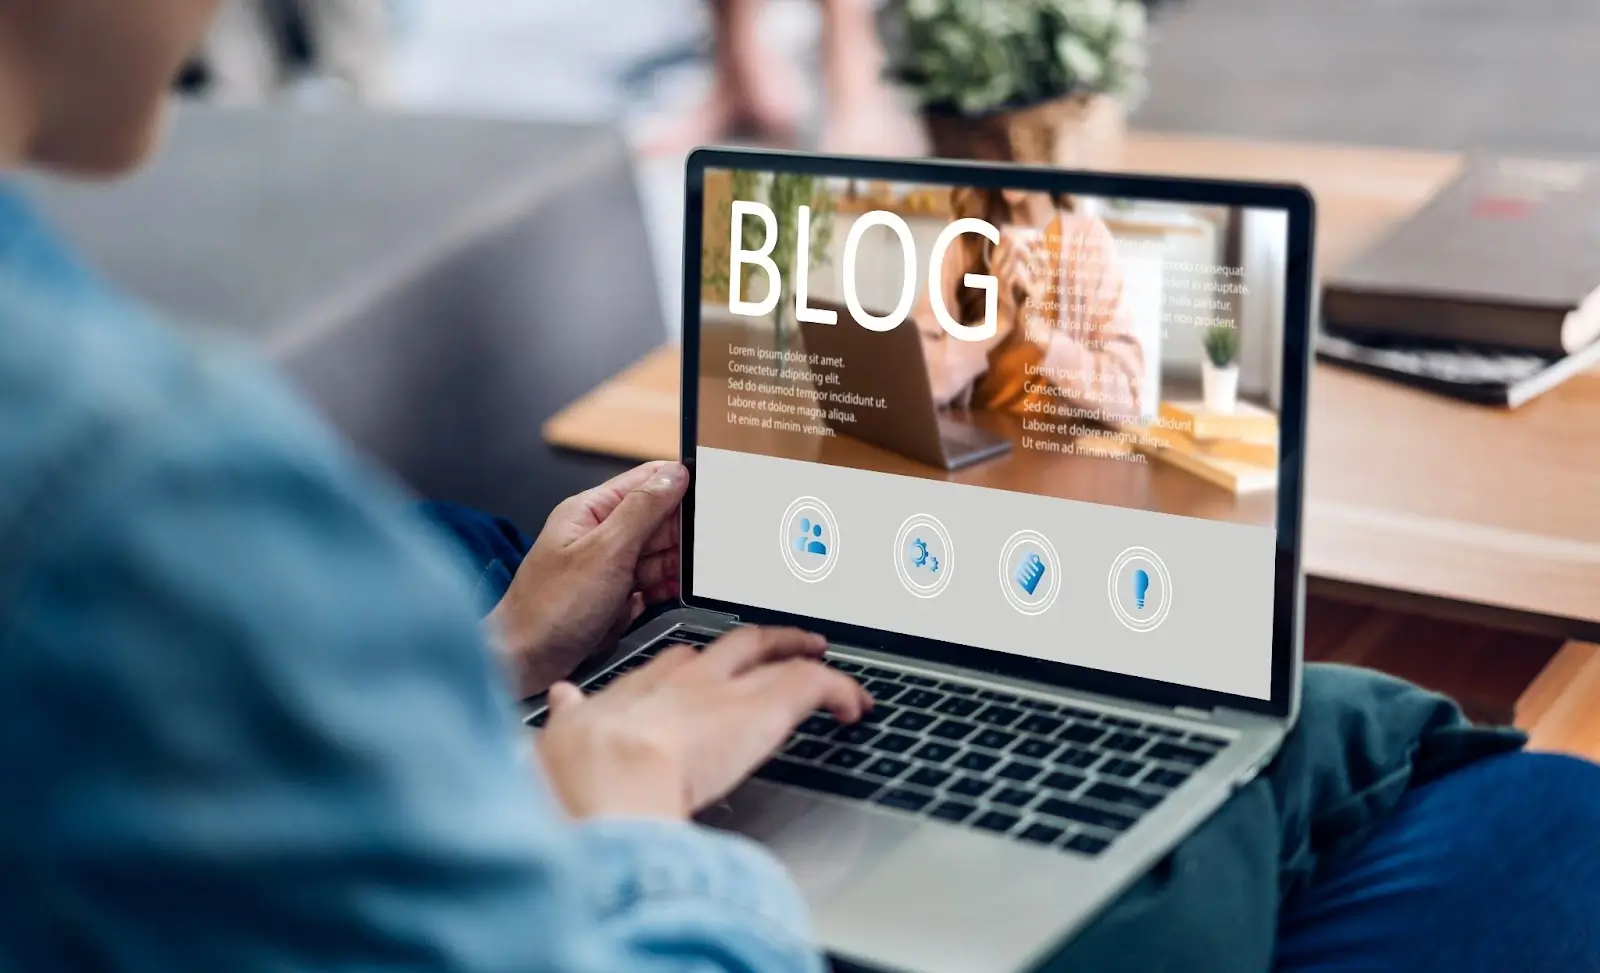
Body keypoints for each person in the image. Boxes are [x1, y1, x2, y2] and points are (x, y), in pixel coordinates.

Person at [2, 4, 1599, 972]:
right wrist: (627, 817)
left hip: (588, 682)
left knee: (580, 566)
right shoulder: (125, 481)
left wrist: (500, 661)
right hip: (637, 848)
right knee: (1453, 782)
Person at [916, 186, 1146, 422]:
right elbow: (915, 384)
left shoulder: (1088, 240)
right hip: (978, 444)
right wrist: (998, 322)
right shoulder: (966, 237)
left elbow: (1128, 399)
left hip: (1055, 452)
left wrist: (1042, 333)